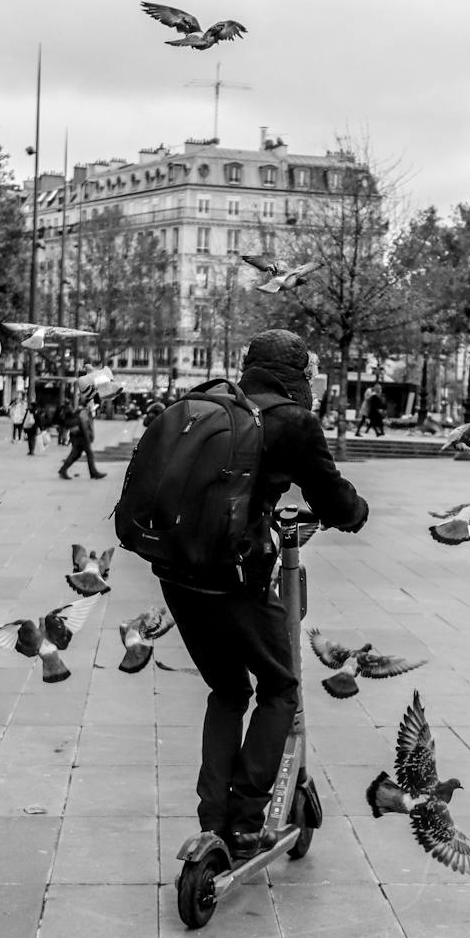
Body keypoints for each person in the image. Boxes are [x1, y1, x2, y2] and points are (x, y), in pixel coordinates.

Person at [156, 330, 370, 857]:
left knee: (228, 690)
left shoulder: (212, 402)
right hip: (235, 575)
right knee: (281, 687)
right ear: (296, 374)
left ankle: (213, 820)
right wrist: (356, 512)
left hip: (175, 571)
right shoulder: (292, 421)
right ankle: (248, 818)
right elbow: (335, 499)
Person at [59, 396, 102, 479]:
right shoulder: (83, 412)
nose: (93, 404)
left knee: (75, 454)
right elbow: (84, 426)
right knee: (89, 454)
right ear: (87, 403)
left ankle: (63, 470)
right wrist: (88, 438)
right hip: (81, 437)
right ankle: (93, 473)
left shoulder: (85, 411)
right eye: (91, 402)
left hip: (79, 437)